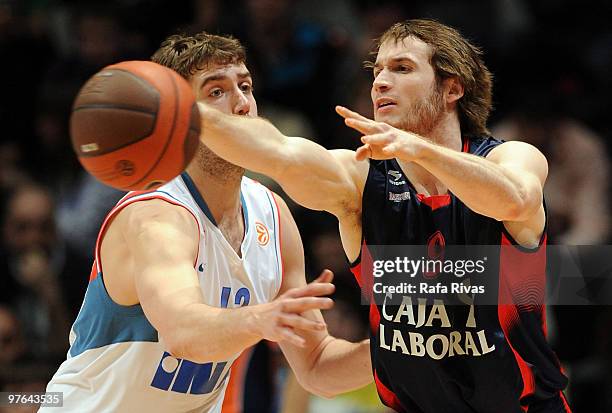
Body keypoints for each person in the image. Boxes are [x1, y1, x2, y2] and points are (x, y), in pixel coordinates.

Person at [197, 19, 572, 413]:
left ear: (452, 87)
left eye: (402, 68)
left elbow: (513, 199)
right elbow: (279, 154)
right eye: (376, 71)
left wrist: (419, 150)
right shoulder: (360, 180)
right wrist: (179, 109)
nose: (380, 83)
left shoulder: (511, 157)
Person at [41, 32, 371, 413]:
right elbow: (184, 332)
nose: (242, 103)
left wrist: (398, 351)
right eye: (216, 92)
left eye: (245, 86)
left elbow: (316, 368)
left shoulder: (274, 215)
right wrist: (258, 319)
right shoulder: (155, 215)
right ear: (173, 118)